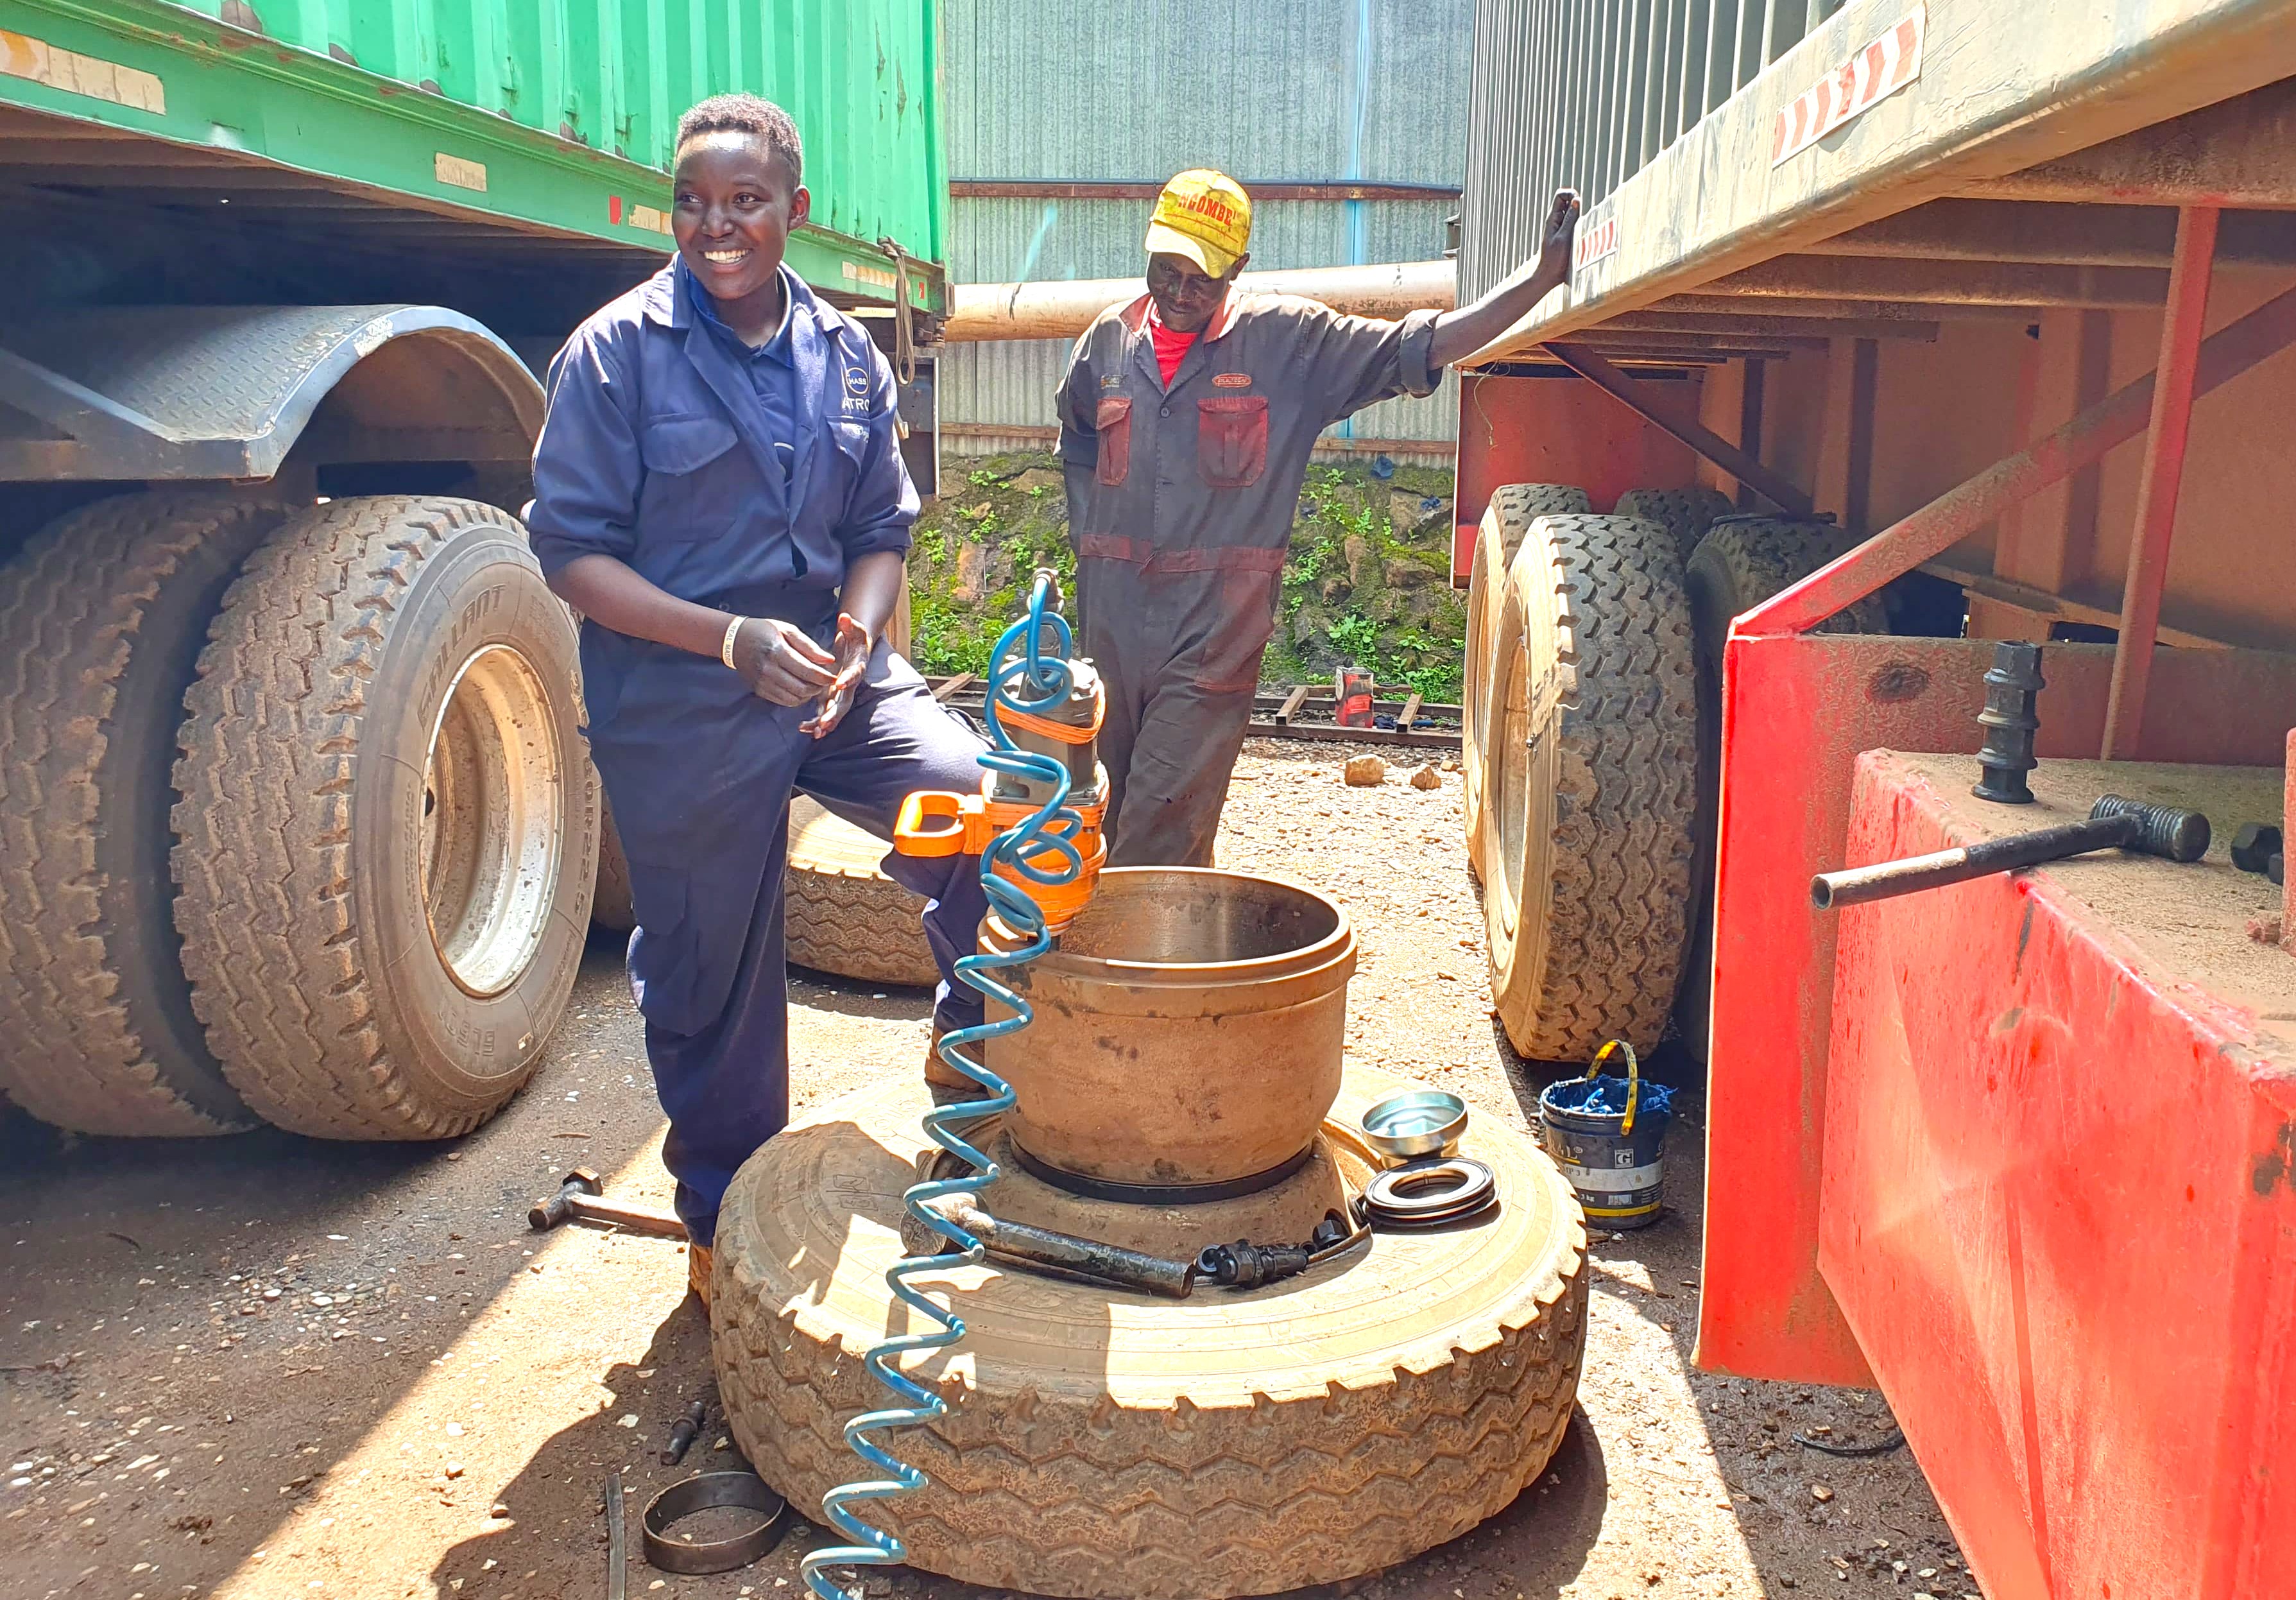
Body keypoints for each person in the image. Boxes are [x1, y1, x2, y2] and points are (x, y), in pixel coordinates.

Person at [526, 94, 988, 1309]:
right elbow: (569, 555)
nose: (714, 225)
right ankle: (723, 1224)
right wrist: (726, 638)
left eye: (742, 202)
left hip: (832, 683)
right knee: (710, 971)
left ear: (796, 210)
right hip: (681, 698)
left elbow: (881, 527)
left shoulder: (843, 355)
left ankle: (977, 1068)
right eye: (692, 201)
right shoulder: (615, 355)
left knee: (978, 807)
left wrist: (857, 627)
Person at [1056, 169, 1582, 866]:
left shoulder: (1289, 344)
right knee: (1095, 808)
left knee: (1160, 831)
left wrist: (1541, 278)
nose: (1180, 293)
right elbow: (1078, 445)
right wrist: (1086, 548)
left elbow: (1421, 346)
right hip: (1110, 629)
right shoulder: (1106, 344)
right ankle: (1131, 954)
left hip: (1211, 636)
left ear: (1237, 270)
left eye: (1201, 280)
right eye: (1166, 270)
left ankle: (1142, 966)